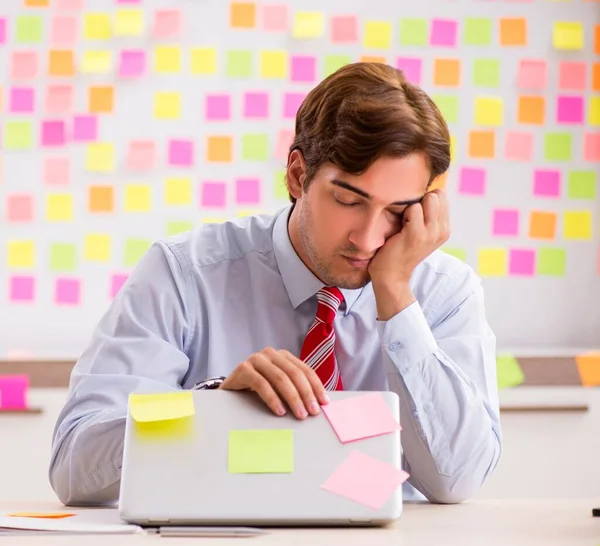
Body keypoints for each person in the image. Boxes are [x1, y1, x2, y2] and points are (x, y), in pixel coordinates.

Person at [49, 62, 501, 507]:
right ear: (298, 175)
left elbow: (456, 480)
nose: (368, 238)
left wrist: (397, 295)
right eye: (348, 200)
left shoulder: (444, 290)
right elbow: (74, 465)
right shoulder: (185, 274)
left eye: (397, 210)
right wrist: (210, 410)